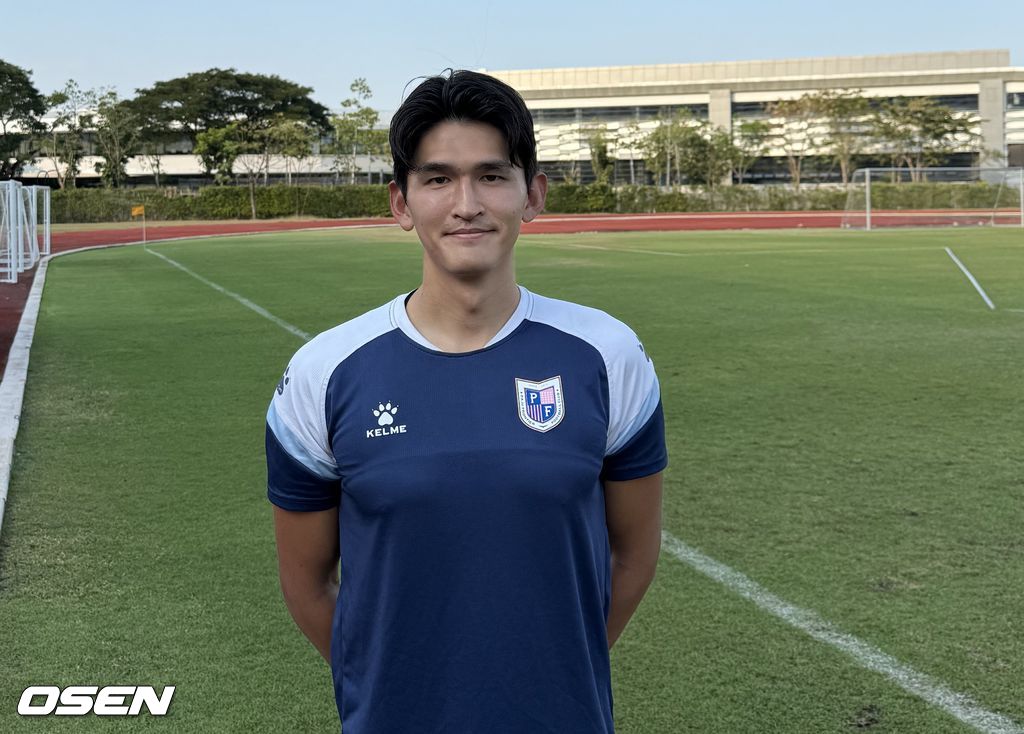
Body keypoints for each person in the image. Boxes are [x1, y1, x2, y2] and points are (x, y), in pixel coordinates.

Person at [266, 69, 666, 733]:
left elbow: (633, 558)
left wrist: (552, 675)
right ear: (401, 203)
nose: (466, 204)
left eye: (491, 175)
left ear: (532, 194)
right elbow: (306, 584)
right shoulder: (323, 372)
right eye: (437, 179)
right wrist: (389, 687)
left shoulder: (608, 354)